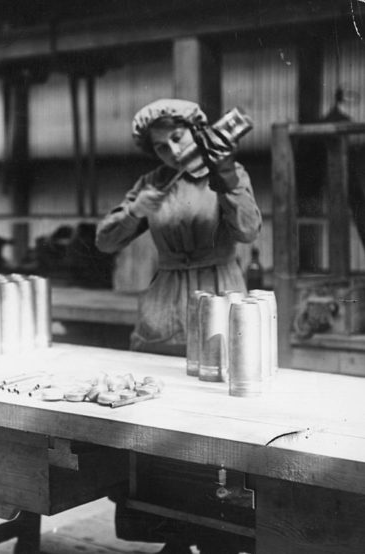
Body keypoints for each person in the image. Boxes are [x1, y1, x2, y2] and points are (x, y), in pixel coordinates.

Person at [95, 99, 261, 554]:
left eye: (178, 136)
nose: (170, 149)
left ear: (197, 130)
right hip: (165, 301)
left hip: (220, 294)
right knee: (154, 411)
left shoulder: (226, 172)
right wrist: (135, 212)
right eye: (159, 145)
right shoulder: (151, 183)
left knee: (218, 414)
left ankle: (220, 531)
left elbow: (247, 230)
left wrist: (225, 173)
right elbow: (105, 241)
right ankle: (168, 527)